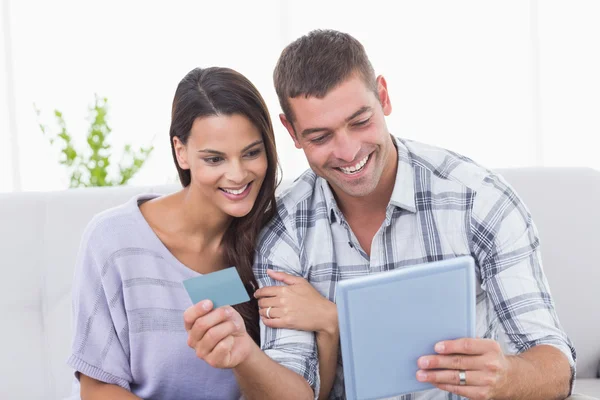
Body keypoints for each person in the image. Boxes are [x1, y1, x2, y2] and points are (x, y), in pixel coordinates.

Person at [184, 30, 577, 400]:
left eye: (360, 121)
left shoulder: (478, 200)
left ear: (383, 96)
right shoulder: (285, 228)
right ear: (292, 132)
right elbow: (297, 383)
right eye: (320, 137)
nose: (348, 151)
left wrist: (507, 376)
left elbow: (556, 365)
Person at [66, 66, 335, 399]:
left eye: (251, 153)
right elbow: (97, 387)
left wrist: (329, 324)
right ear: (181, 152)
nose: (237, 175)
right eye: (214, 159)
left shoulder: (275, 241)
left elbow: (308, 392)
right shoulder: (114, 241)